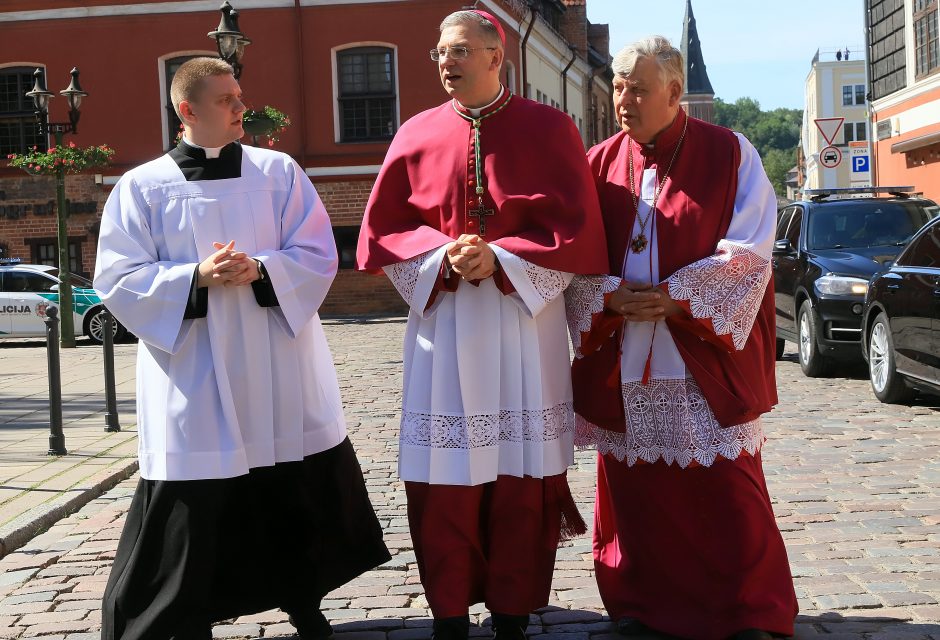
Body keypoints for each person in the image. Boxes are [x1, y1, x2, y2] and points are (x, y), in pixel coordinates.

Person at [94, 57, 390, 640]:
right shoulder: (143, 187)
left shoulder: (277, 173)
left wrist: (259, 267)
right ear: (187, 111)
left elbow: (317, 252)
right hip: (194, 366)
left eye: (239, 97)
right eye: (227, 99)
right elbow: (118, 277)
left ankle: (303, 601)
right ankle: (188, 612)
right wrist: (193, 277)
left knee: (286, 486)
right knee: (199, 496)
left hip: (276, 363)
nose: (240, 109)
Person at [356, 10, 608, 640]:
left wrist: (503, 257)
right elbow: (384, 232)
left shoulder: (550, 129)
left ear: (498, 58)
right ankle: (448, 611)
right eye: (440, 52)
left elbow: (578, 233)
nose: (448, 61)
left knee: (520, 475)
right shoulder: (414, 134)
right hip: (444, 326)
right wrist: (442, 256)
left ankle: (513, 609)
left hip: (523, 326)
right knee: (445, 477)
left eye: (462, 50)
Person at [564, 37, 798, 640]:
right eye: (618, 85)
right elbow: (574, 256)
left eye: (638, 89)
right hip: (626, 352)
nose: (623, 99)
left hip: (700, 353)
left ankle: (749, 611)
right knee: (636, 489)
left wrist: (681, 297)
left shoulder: (729, 153)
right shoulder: (596, 163)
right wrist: (608, 296)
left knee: (725, 488)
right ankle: (638, 605)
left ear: (674, 93)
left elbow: (752, 246)